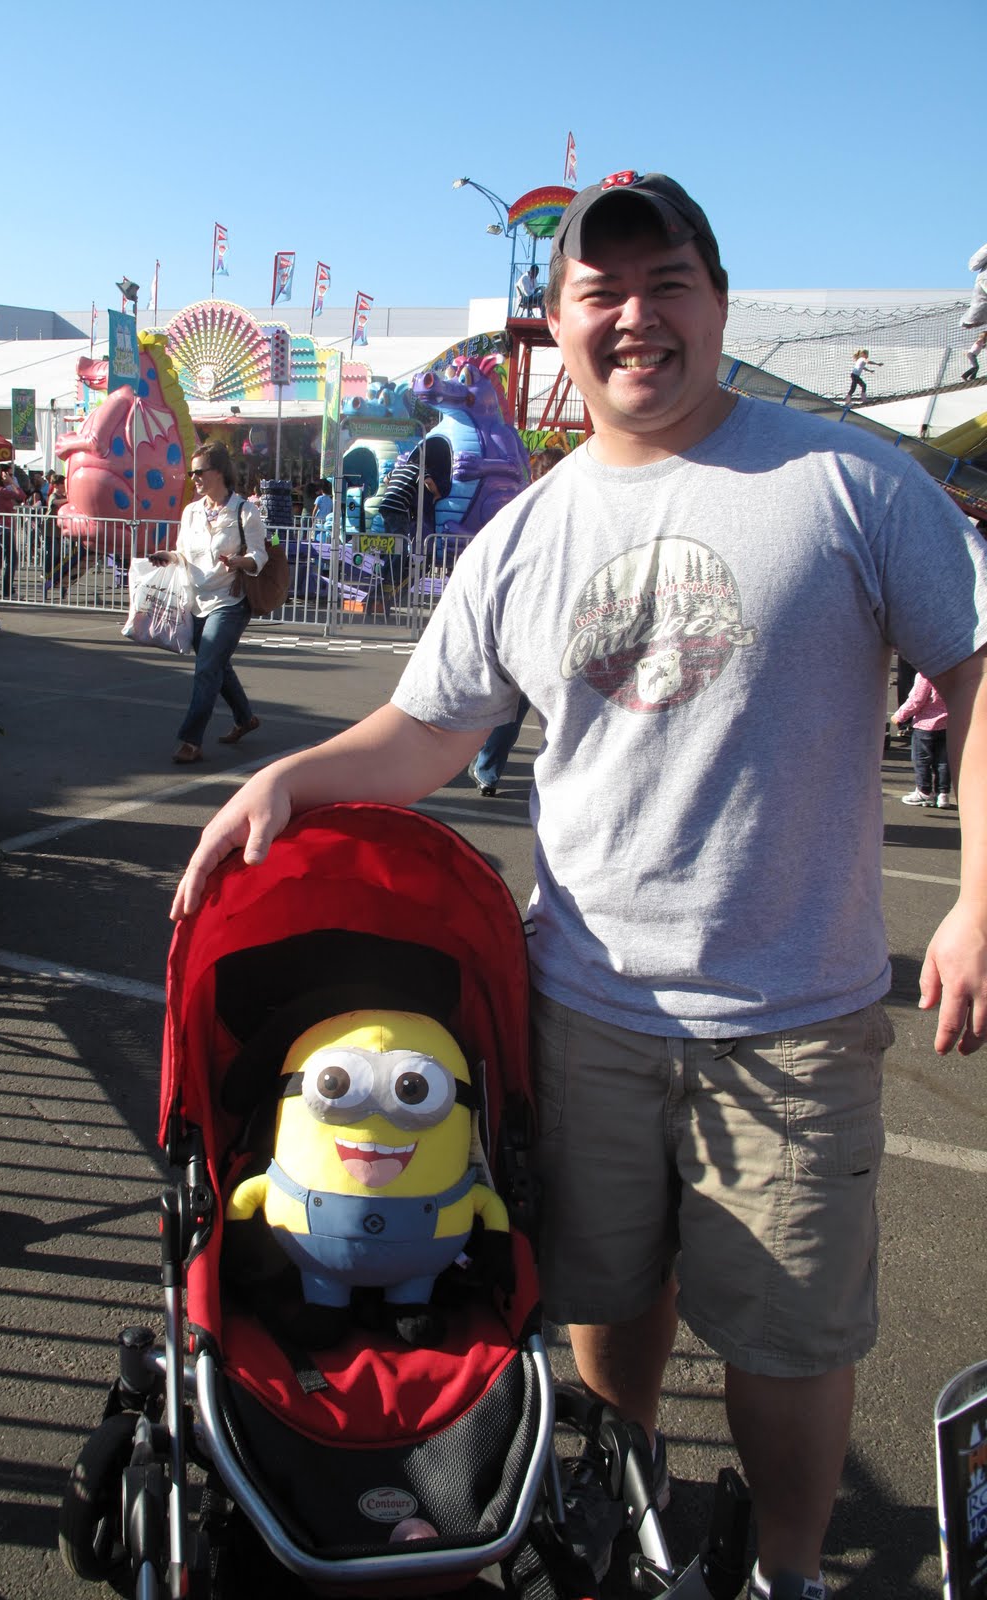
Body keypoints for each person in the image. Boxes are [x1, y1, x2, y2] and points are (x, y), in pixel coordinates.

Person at [171, 169, 987, 1598]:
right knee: (607, 1296)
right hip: (585, 1007)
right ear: (558, 327)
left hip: (792, 1021)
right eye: (602, 293)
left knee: (791, 1339)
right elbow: (429, 730)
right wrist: (292, 776)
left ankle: (786, 1574)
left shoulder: (849, 482)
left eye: (668, 283)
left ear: (720, 303)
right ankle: (630, 1521)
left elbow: (975, 670)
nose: (637, 318)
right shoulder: (530, 531)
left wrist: (978, 897)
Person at [149, 440, 266, 764]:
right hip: (195, 600)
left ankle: (191, 740)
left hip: (229, 601)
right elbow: (183, 553)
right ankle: (245, 719)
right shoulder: (191, 512)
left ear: (219, 472)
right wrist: (167, 556)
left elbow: (260, 555)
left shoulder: (245, 510)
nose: (194, 478)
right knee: (217, 666)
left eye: (199, 472)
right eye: (192, 473)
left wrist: (241, 562)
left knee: (206, 669)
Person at [467, 449, 565, 794]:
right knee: (523, 708)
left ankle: (488, 768)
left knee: (525, 707)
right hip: (537, 622)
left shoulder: (540, 512)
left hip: (544, 621)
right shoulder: (534, 513)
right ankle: (488, 768)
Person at [892, 673, 953, 807]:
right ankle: (943, 793)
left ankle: (924, 791)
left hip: (924, 725)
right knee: (943, 761)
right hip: (948, 723)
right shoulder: (953, 671)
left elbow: (917, 699)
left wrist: (900, 716)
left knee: (922, 760)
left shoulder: (926, 674)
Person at [0, 465, 24, 601]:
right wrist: (12, 483)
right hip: (3, 527)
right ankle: (7, 591)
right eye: (10, 475)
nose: (12, 478)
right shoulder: (1, 491)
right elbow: (21, 496)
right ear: (3, 475)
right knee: (11, 559)